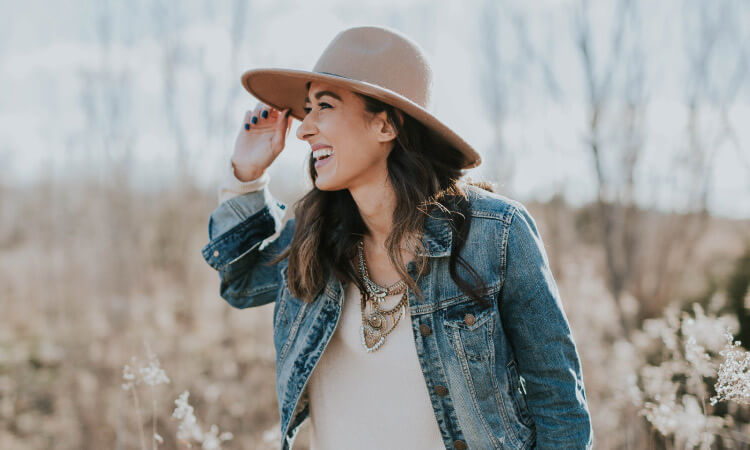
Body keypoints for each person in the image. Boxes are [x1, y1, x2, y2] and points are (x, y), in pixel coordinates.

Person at [202, 25, 593, 450]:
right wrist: (246, 177)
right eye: (306, 108)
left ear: (385, 125)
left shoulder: (494, 234)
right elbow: (240, 284)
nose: (303, 129)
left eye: (324, 107)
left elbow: (557, 396)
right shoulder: (314, 237)